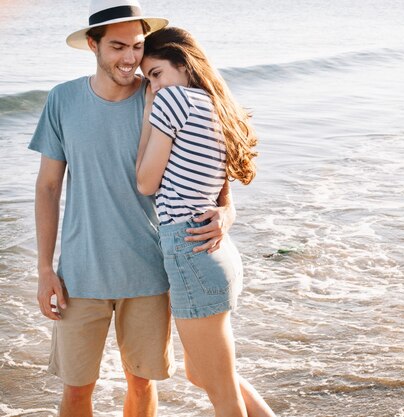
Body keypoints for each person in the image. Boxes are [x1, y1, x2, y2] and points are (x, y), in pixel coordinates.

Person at [29, 1, 235, 416]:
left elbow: (214, 165)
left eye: (137, 46)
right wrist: (45, 269)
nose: (129, 59)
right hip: (80, 275)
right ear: (93, 45)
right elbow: (48, 187)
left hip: (149, 272)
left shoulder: (163, 94)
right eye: (117, 46)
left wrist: (227, 214)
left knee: (141, 387)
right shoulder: (62, 99)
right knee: (75, 392)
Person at [136, 27, 275, 417]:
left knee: (223, 395)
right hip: (215, 252)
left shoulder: (172, 101)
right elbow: (218, 192)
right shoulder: (214, 105)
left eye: (157, 73)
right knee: (205, 376)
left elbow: (145, 181)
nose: (155, 86)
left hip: (190, 251)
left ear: (183, 63)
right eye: (149, 79)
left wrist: (149, 111)